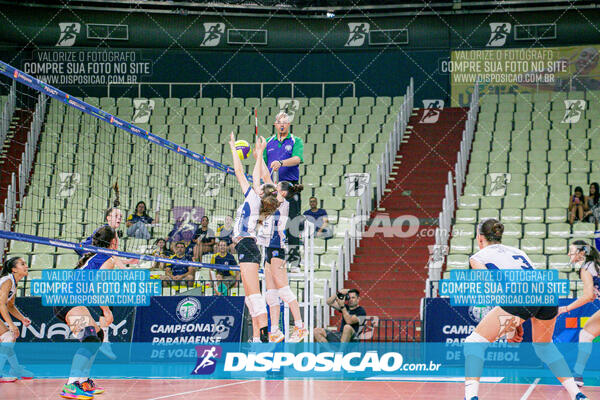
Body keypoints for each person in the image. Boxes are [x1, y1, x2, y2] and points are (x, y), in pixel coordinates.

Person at [462, 219, 587, 400]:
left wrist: (512, 324)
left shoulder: (477, 257)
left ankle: (471, 397)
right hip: (547, 294)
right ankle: (577, 394)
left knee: (473, 343)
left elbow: (491, 288)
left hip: (521, 296)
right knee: (545, 347)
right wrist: (516, 320)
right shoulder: (517, 251)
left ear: (479, 238)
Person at [54, 226, 126, 399]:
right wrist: (106, 311)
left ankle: (84, 381)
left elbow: (86, 242)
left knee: (98, 336)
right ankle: (71, 385)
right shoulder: (107, 258)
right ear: (114, 242)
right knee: (90, 339)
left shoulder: (93, 249)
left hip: (71, 300)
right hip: (67, 301)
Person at [230, 131, 279, 343]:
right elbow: (255, 177)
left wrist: (233, 148)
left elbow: (240, 171)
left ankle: (267, 334)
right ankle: (257, 338)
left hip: (248, 246)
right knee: (250, 295)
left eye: (259, 186)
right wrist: (258, 154)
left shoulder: (254, 198)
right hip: (246, 246)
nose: (256, 185)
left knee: (254, 294)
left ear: (261, 193)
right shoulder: (258, 200)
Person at [257, 147, 308, 342]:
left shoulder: (282, 204)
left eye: (277, 187)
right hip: (268, 250)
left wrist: (261, 158)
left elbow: (266, 180)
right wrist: (259, 156)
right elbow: (265, 178)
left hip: (277, 249)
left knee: (283, 290)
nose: (273, 188)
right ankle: (275, 330)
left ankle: (300, 326)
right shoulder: (274, 201)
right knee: (271, 294)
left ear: (283, 192)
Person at [264, 112, 304, 270]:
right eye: (279, 122)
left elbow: (297, 159)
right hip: (272, 188)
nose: (282, 124)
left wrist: (281, 163)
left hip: (290, 187)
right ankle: (269, 259)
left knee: (292, 223)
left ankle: (294, 260)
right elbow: (264, 166)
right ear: (275, 124)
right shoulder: (268, 142)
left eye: (285, 122)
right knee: (269, 224)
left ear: (288, 125)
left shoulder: (296, 140)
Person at [558, 241, 600, 387]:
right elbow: (593, 295)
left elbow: (588, 296)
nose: (569, 254)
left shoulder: (586, 268)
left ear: (582, 253)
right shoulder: (594, 265)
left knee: (585, 335)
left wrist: (565, 309)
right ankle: (578, 375)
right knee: (586, 334)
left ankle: (578, 375)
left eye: (572, 251)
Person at [0, 257, 33, 382]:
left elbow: (10, 305)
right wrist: (11, 324)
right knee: (8, 337)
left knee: (8, 340)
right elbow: (1, 304)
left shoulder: (13, 282)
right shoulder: (8, 281)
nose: (26, 266)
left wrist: (22, 319)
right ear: (14, 269)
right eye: (22, 264)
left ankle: (15, 368)